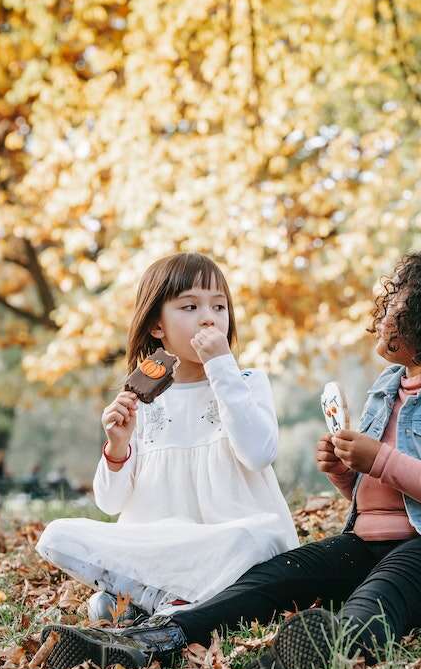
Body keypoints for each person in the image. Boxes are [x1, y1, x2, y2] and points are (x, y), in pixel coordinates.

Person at [38, 251, 421, 669]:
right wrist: (347, 474)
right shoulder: (389, 386)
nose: (382, 312)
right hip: (371, 542)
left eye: (396, 304)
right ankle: (151, 640)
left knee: (383, 596)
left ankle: (324, 648)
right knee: (272, 578)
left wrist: (379, 459)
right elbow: (388, 494)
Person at [35, 251, 298, 632]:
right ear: (157, 326)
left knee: (253, 540)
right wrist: (117, 448)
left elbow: (258, 454)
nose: (209, 317)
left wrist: (221, 366)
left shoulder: (246, 383)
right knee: (57, 535)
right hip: (160, 545)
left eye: (219, 306)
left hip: (226, 544)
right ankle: (164, 598)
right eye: (190, 306)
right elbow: (110, 502)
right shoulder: (144, 398)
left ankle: (142, 599)